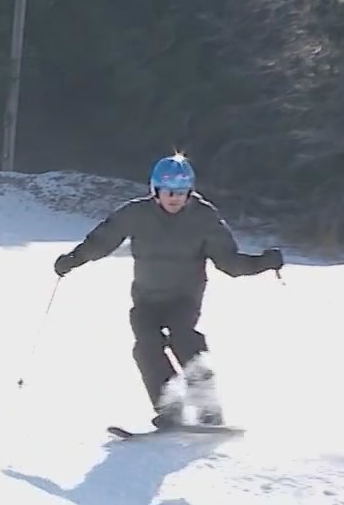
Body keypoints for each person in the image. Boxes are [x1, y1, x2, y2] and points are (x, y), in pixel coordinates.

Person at [53, 153, 283, 428]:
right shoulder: (136, 213)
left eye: (182, 192)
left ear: (190, 192)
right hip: (146, 298)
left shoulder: (203, 217)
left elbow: (230, 263)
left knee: (184, 339)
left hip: (184, 298)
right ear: (156, 191)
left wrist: (263, 262)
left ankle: (209, 410)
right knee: (146, 347)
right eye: (169, 192)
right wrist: (73, 259)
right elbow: (103, 240)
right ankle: (170, 409)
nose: (175, 198)